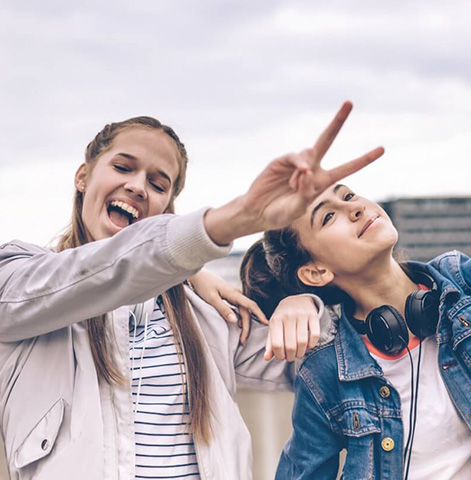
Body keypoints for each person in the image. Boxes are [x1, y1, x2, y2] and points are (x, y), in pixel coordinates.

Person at [0, 102, 383, 480]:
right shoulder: (18, 275)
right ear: (83, 177)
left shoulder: (207, 313)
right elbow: (95, 274)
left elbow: (331, 365)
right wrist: (229, 224)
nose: (136, 186)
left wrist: (304, 307)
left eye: (157, 183)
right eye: (122, 167)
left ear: (167, 210)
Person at [242, 182, 471, 480]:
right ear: (316, 272)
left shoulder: (466, 286)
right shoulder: (325, 371)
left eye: (348, 195)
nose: (354, 209)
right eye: (328, 217)